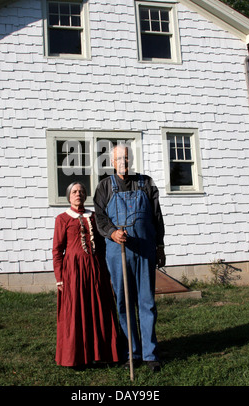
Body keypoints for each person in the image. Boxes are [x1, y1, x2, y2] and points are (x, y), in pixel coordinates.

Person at [93, 144, 165, 372]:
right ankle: (131, 353)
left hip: (145, 249)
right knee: (124, 302)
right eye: (119, 159)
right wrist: (113, 232)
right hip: (118, 252)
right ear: (112, 162)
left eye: (126, 157)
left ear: (131, 159)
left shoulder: (146, 183)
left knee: (147, 302)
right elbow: (100, 219)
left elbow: (156, 216)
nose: (123, 162)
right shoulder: (104, 186)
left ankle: (150, 354)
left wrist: (160, 246)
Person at [52, 181, 119, 368]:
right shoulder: (62, 219)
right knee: (77, 311)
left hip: (96, 268)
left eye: (81, 191)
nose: (78, 194)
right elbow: (57, 251)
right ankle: (77, 357)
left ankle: (103, 353)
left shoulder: (95, 217)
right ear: (68, 196)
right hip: (74, 271)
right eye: (74, 191)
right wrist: (59, 278)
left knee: (99, 307)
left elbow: (105, 244)